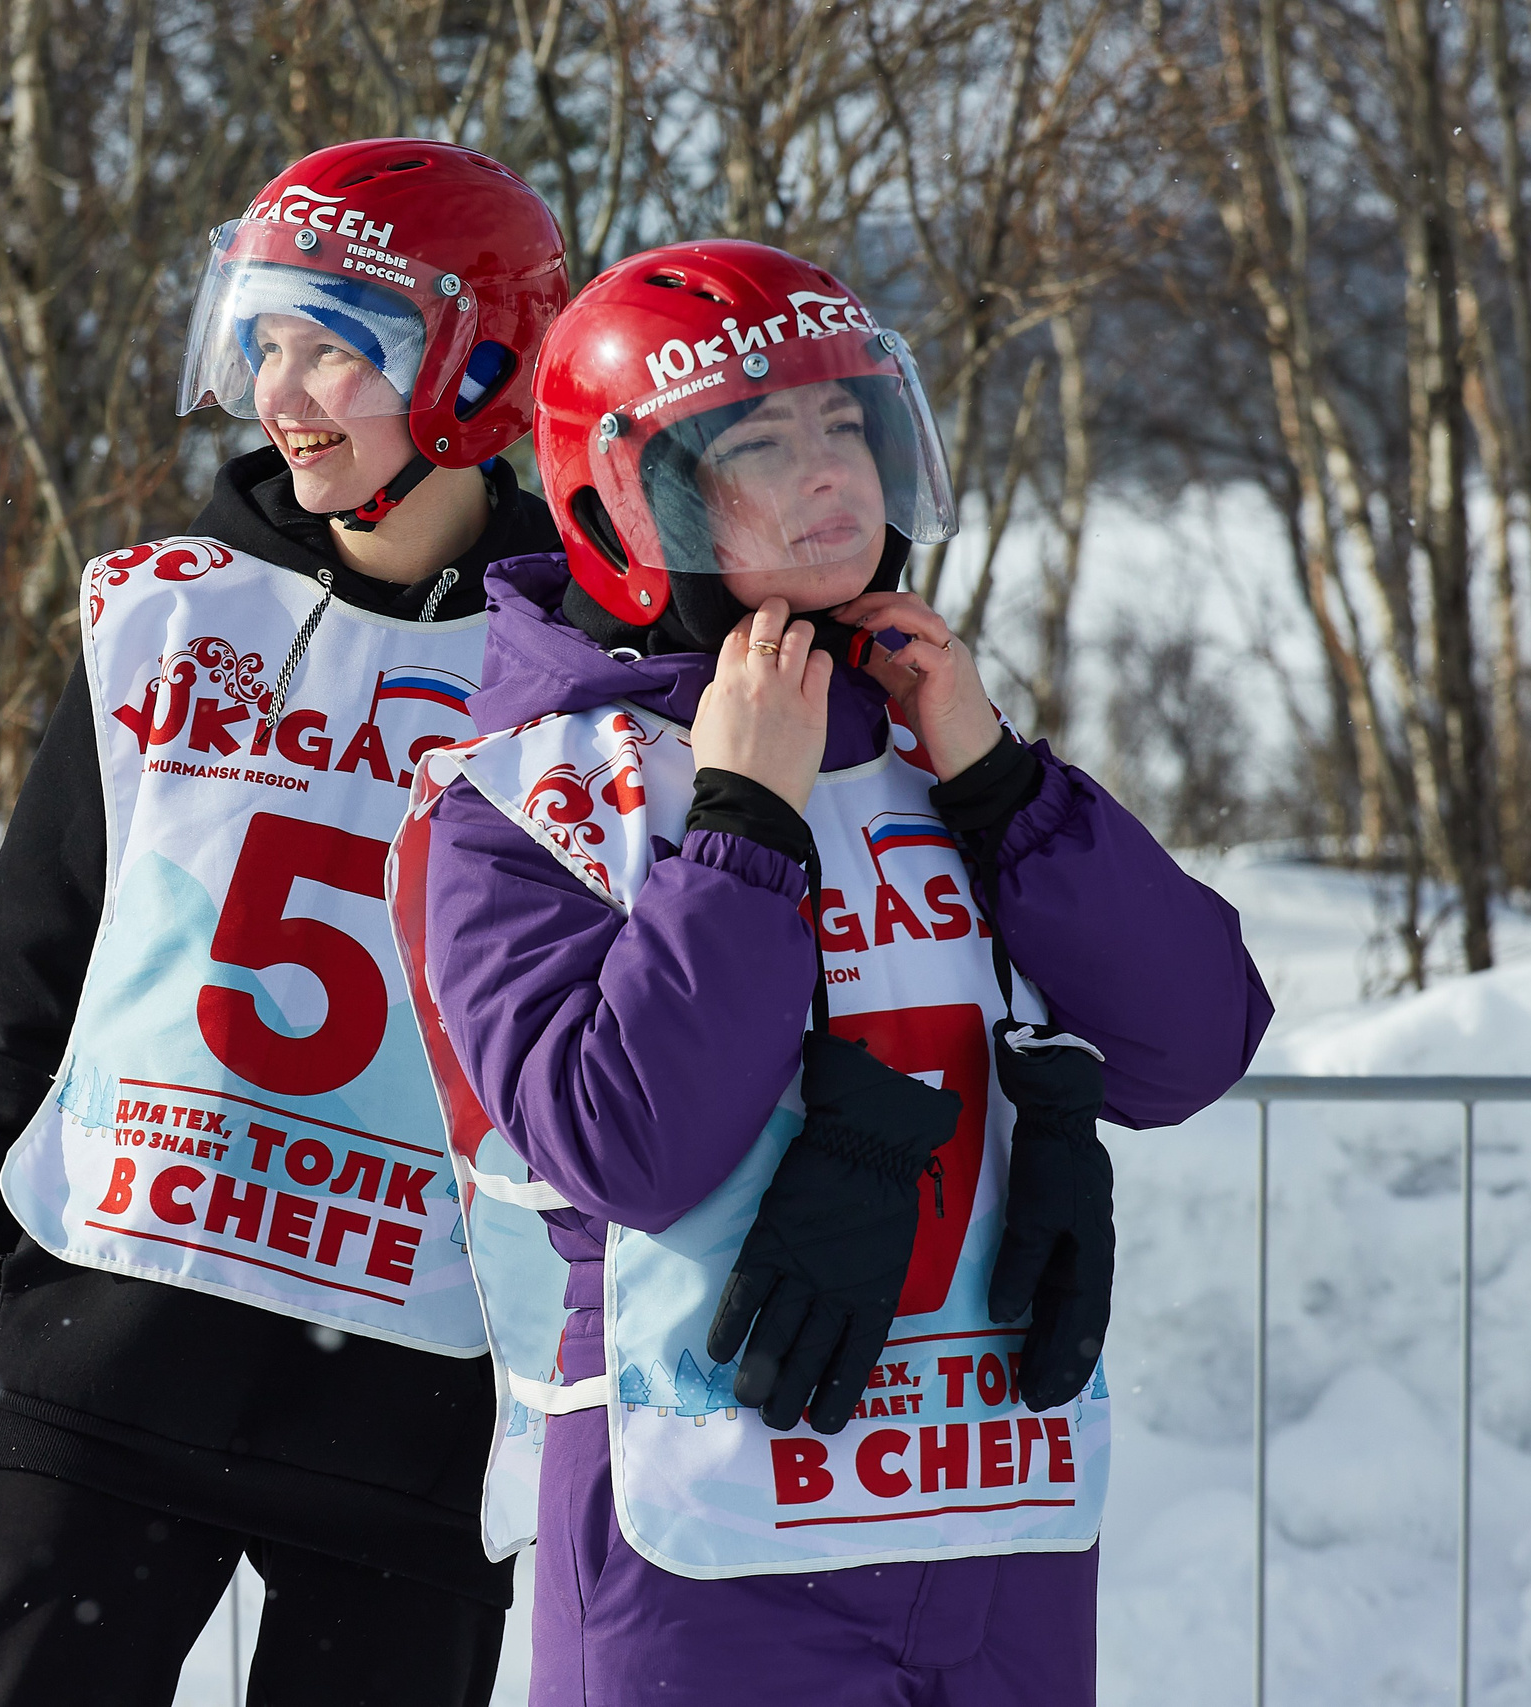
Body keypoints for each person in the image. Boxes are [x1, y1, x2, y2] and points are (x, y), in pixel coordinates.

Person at [382, 239, 1273, 1703]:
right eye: (761, 443)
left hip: (993, 1515)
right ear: (628, 497)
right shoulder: (524, 791)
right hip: (713, 1531)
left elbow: (1190, 1047)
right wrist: (741, 826)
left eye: (847, 427)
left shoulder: (941, 732)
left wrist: (1002, 787)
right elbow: (626, 1144)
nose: (830, 478)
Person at [0, 138, 571, 1707]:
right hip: (114, 1349)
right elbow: (42, 965)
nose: (285, 391)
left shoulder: (587, 671)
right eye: (263, 341)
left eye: (335, 346)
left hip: (414, 1397)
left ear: (474, 367)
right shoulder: (168, 612)